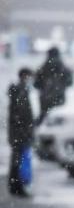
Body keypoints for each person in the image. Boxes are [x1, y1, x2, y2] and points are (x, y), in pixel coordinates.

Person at [7, 68, 35, 197]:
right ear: (24, 76)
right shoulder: (20, 92)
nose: (30, 79)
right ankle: (17, 186)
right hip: (20, 133)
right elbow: (21, 115)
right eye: (29, 76)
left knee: (17, 160)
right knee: (18, 160)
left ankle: (15, 186)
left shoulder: (20, 91)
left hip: (18, 133)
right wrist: (27, 131)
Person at [34, 47, 73, 124]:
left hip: (45, 98)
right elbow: (70, 82)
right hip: (59, 97)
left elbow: (36, 84)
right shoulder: (63, 67)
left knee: (44, 119)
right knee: (59, 120)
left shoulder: (43, 68)